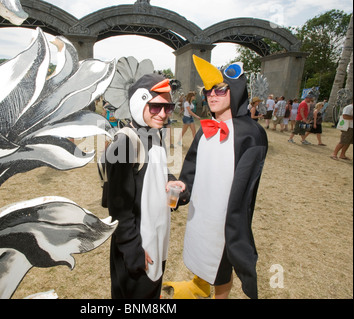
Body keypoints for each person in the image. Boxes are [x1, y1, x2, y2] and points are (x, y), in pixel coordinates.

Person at [165, 56, 268, 299]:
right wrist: (181, 190)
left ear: (235, 90)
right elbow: (190, 169)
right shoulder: (205, 129)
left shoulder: (251, 135)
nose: (212, 95)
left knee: (221, 265)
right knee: (198, 251)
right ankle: (197, 286)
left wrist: (232, 225)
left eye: (220, 90)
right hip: (200, 213)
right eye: (208, 90)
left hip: (223, 218)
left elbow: (245, 188)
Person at [105, 73, 177, 299]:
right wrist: (132, 250)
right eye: (155, 107)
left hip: (157, 240)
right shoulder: (123, 143)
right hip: (137, 248)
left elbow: (155, 172)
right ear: (139, 103)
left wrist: (171, 180)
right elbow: (119, 207)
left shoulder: (156, 134)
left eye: (168, 108)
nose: (163, 114)